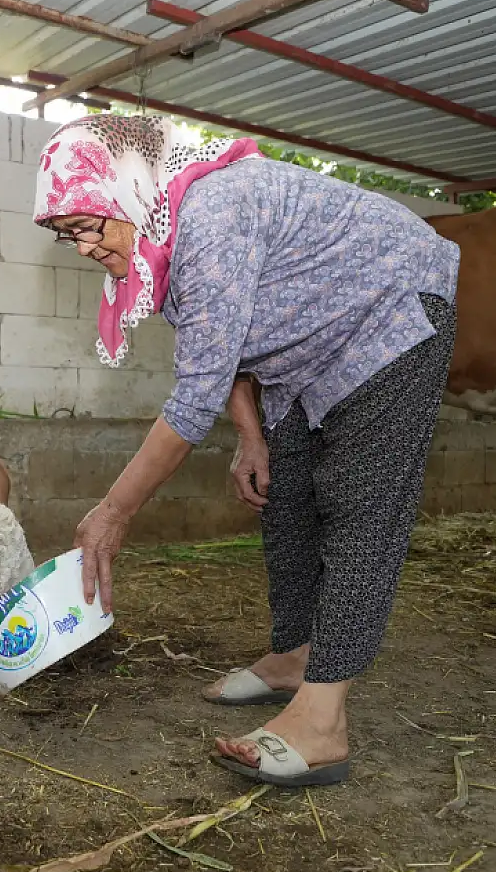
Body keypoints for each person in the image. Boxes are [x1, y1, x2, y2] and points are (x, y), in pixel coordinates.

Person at [33, 114, 460, 788]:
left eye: (87, 224)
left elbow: (194, 392)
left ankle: (324, 723)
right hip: (310, 350)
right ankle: (294, 656)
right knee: (282, 488)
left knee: (358, 498)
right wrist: (251, 436)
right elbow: (222, 343)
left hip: (393, 306)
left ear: (126, 192)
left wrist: (114, 510)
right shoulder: (162, 236)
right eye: (69, 235)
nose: (83, 247)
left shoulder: (211, 215)